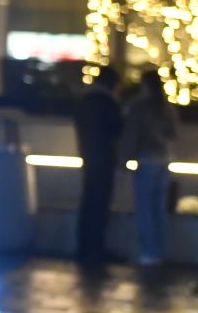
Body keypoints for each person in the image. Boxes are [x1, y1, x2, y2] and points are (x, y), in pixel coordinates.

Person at [122, 70, 179, 266]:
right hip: (164, 160)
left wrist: (125, 159)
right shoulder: (166, 107)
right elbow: (173, 134)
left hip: (146, 160)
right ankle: (159, 250)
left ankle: (148, 252)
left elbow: (131, 135)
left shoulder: (139, 106)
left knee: (144, 208)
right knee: (159, 208)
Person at [72, 65, 124, 264]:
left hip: (88, 155)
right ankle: (96, 249)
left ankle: (84, 248)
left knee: (88, 203)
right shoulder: (107, 102)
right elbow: (117, 128)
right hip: (104, 157)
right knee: (100, 204)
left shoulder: (83, 100)